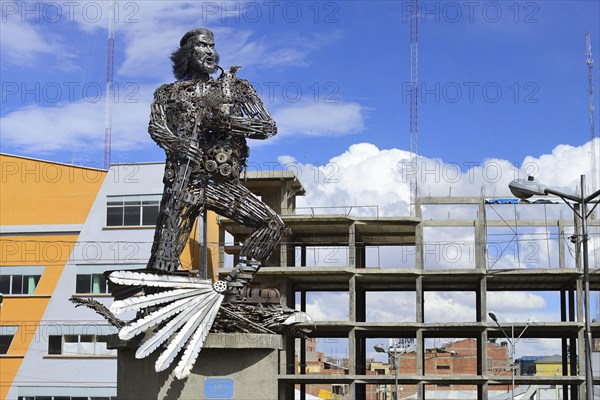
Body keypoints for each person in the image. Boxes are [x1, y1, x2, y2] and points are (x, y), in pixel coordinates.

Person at [146, 28, 285, 292]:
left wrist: (225, 122)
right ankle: (155, 304)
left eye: (212, 46)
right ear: (188, 51)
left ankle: (233, 289)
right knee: (165, 254)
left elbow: (266, 126)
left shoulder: (235, 88)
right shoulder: (167, 93)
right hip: (184, 184)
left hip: (222, 184)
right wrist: (179, 145)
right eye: (202, 46)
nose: (209, 51)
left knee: (272, 224)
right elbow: (156, 126)